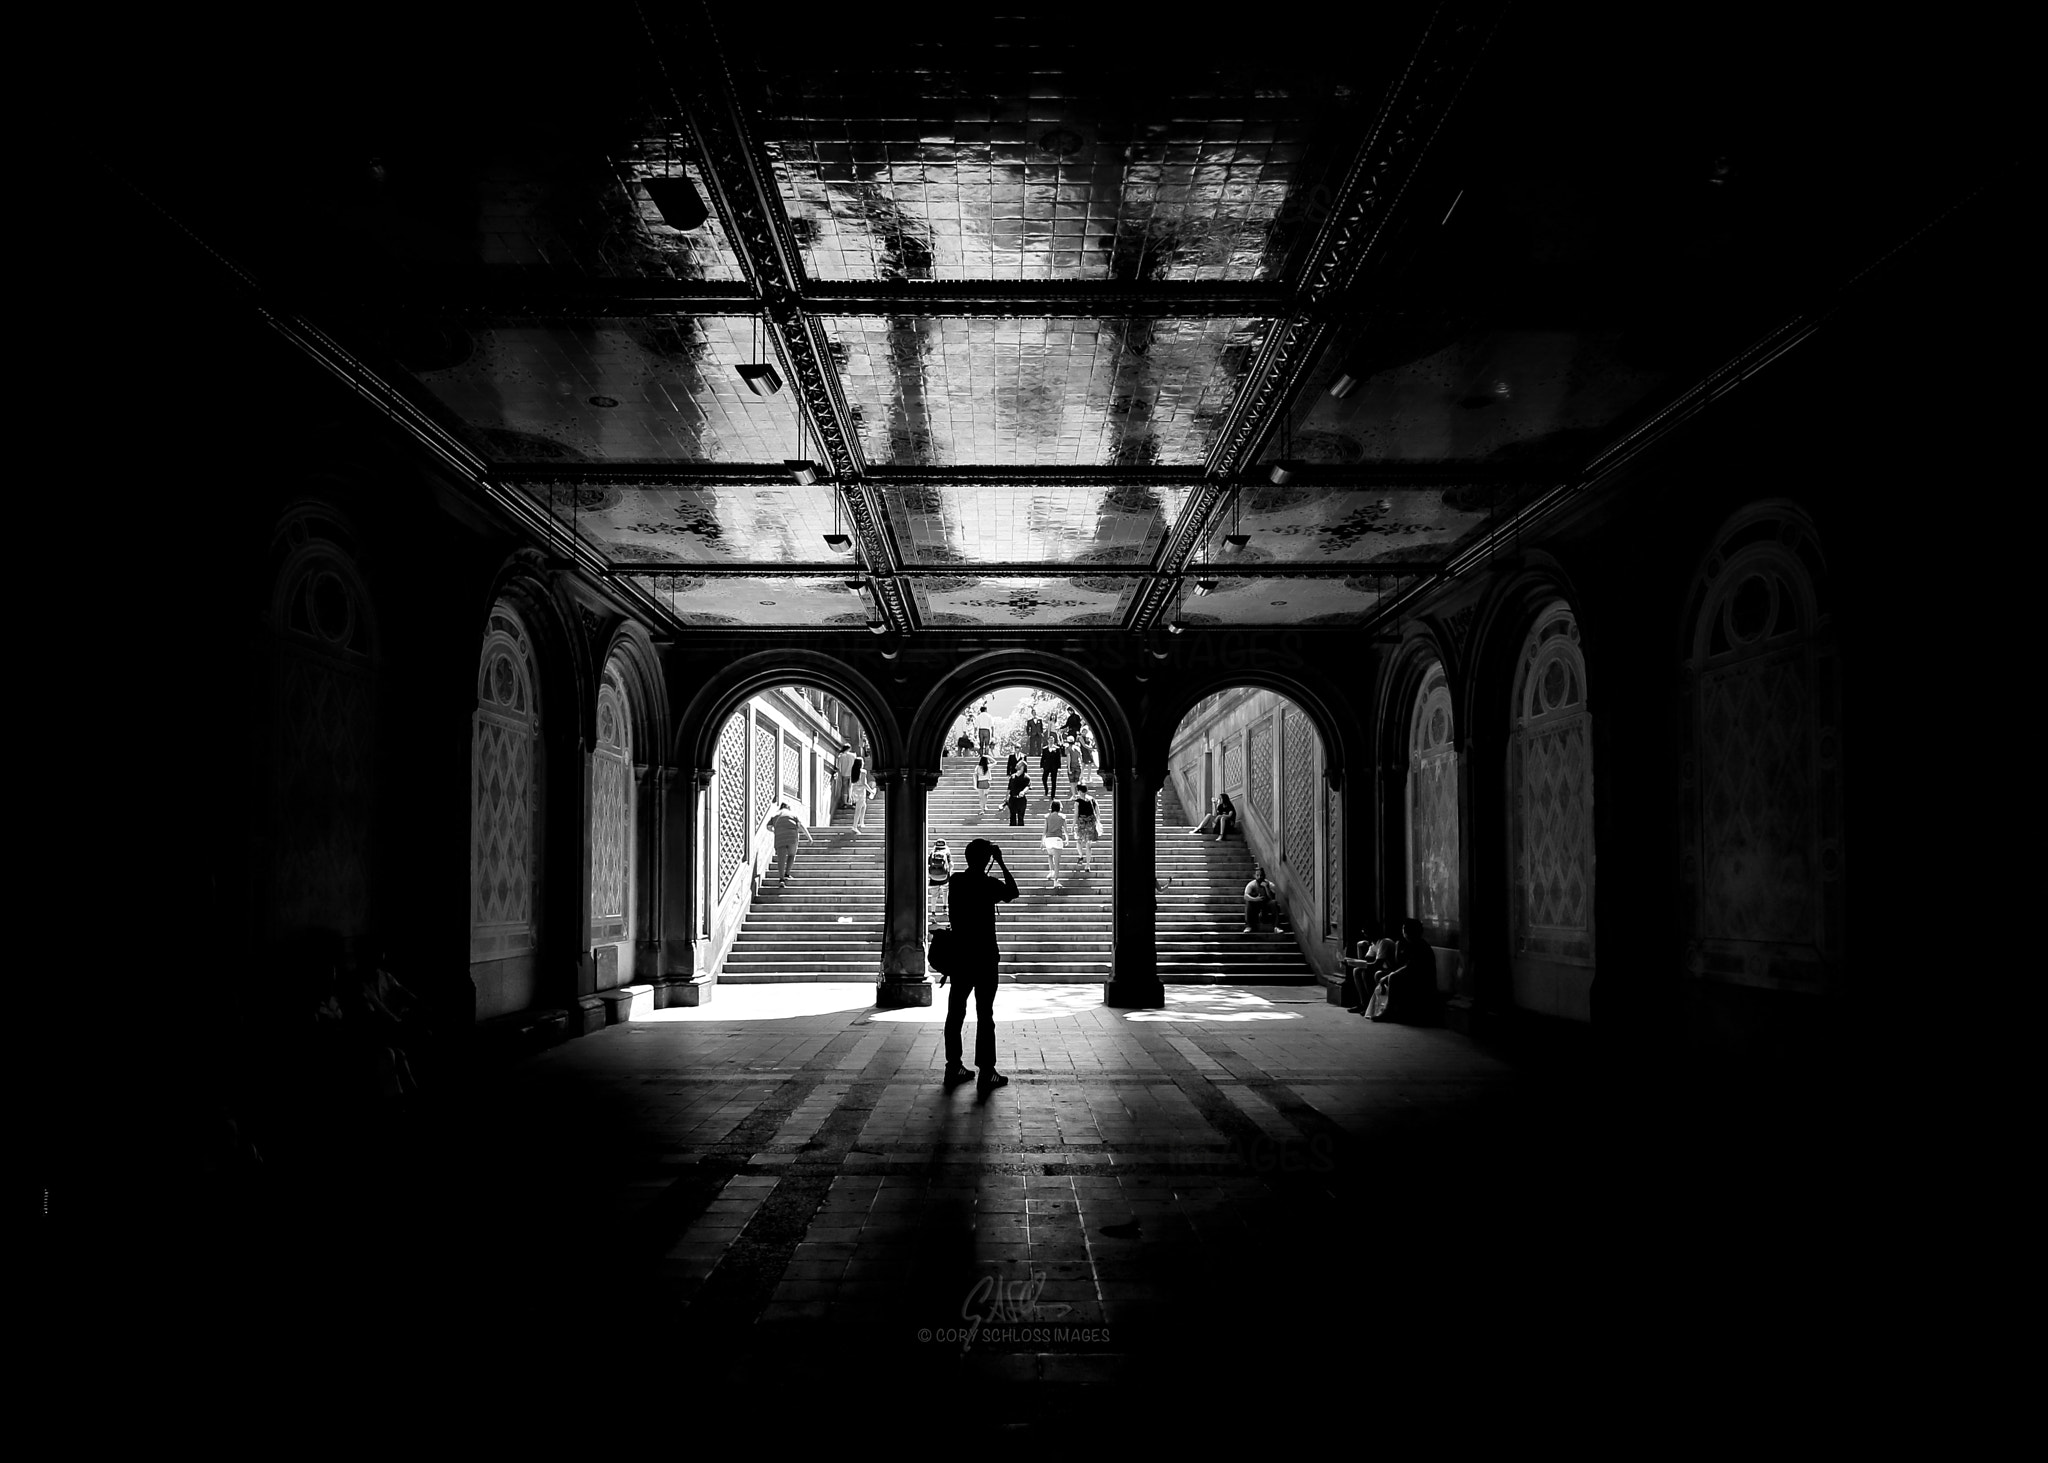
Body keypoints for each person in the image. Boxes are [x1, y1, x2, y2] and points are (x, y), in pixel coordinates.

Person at [939, 838, 1020, 1093]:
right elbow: (1013, 892)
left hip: (961, 956)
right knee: (985, 1014)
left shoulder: (957, 881)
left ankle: (954, 1066)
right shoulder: (989, 884)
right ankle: (987, 1071)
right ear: (987, 859)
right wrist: (1002, 862)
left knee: (955, 1012)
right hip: (985, 956)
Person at [765, 800, 815, 885]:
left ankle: (781, 879)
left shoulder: (775, 815)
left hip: (780, 837)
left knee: (781, 858)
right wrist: (809, 837)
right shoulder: (793, 814)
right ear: (788, 807)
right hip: (792, 837)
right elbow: (801, 825)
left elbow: (768, 827)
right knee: (791, 855)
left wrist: (775, 831)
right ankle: (787, 874)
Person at [1243, 865, 1285, 934]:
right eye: (1257, 875)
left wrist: (1266, 888)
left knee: (1273, 903)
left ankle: (1277, 927)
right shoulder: (1251, 884)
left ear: (1264, 875)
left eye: (1261, 875)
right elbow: (1246, 896)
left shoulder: (1270, 884)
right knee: (1248, 902)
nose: (1259, 877)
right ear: (1254, 876)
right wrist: (1255, 899)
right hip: (1256, 906)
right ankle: (1249, 926)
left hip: (1266, 906)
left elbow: (1271, 898)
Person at [1072, 783, 1099, 873]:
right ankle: (1087, 865)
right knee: (1088, 845)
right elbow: (1097, 811)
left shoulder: (1077, 802)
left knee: (1079, 841)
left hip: (1082, 823)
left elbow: (1076, 815)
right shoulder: (1092, 799)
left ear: (1079, 791)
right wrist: (1098, 821)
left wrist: (1072, 825)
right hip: (1091, 823)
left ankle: (1080, 856)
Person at [1042, 801, 1067, 887]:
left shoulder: (1047, 817)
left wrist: (1042, 841)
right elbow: (1065, 829)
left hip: (1048, 839)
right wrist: (1067, 838)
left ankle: (1051, 871)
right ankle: (1056, 881)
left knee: (1050, 855)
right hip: (1057, 839)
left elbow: (1045, 830)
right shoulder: (1062, 817)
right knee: (1057, 862)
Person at [1007, 761, 1031, 826]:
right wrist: (1006, 798)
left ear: (1022, 767)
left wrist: (1023, 792)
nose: (1017, 764)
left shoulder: (1026, 777)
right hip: (1012, 798)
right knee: (1012, 817)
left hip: (1021, 799)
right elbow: (1009, 788)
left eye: (1019, 764)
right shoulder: (1013, 776)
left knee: (1021, 817)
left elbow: (1028, 786)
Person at [1040, 736, 1064, 802]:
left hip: (1054, 767)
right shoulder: (1045, 749)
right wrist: (1041, 766)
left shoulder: (1057, 748)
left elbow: (1058, 759)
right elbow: (1043, 758)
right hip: (1047, 766)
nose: (1051, 741)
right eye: (1050, 740)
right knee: (1044, 779)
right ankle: (1046, 789)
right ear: (1048, 741)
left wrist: (1059, 768)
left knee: (1053, 781)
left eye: (1052, 740)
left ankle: (1052, 795)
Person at [851, 767, 873, 833]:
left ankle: (861, 822)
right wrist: (871, 791)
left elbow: (851, 783)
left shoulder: (853, 771)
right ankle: (854, 826)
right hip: (860, 792)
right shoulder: (863, 771)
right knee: (858, 809)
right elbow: (864, 783)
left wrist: (850, 794)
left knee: (864, 806)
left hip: (855, 791)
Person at [834, 742, 855, 809]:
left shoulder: (840, 756)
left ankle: (845, 802)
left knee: (845, 788)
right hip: (851, 774)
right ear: (849, 749)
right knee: (851, 787)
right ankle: (851, 801)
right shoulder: (853, 756)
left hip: (844, 774)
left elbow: (839, 767)